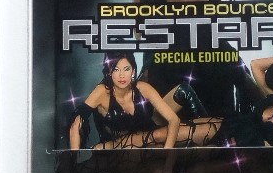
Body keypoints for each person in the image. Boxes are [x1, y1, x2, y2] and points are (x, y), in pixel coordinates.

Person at [67, 52, 221, 151]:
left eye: (126, 69)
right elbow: (76, 122)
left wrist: (166, 153)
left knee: (199, 127)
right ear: (109, 72)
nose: (122, 75)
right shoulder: (102, 91)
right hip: (118, 146)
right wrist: (73, 157)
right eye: (116, 70)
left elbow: (173, 120)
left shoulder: (142, 87)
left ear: (133, 71)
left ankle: (213, 142)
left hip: (151, 135)